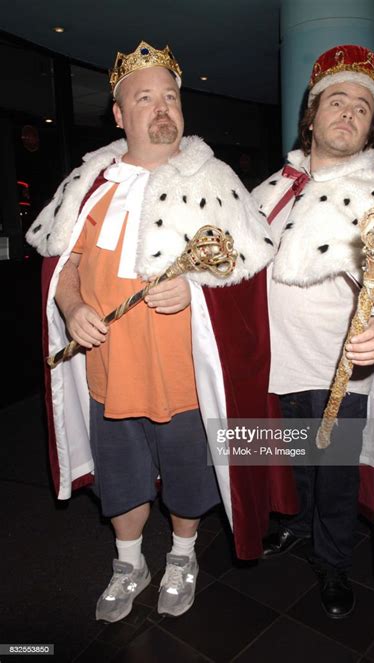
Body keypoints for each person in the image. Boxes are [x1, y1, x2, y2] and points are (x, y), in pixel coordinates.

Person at [26, 41, 297, 623]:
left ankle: (180, 556)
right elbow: (65, 265)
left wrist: (197, 289)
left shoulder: (217, 179)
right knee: (120, 482)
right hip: (108, 374)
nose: (161, 109)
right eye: (144, 98)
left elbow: (248, 276)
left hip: (185, 380)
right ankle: (129, 564)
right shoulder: (89, 184)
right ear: (119, 114)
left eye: (170, 96)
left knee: (189, 481)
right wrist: (71, 307)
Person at [252, 44, 374, 619]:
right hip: (274, 362)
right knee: (288, 461)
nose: (347, 113)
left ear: (369, 128)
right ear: (310, 116)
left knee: (335, 472)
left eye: (362, 108)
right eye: (336, 101)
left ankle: (333, 561)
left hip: (341, 367)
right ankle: (295, 525)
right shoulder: (273, 187)